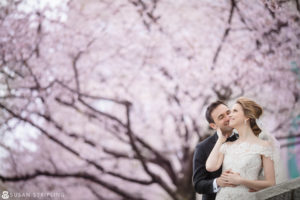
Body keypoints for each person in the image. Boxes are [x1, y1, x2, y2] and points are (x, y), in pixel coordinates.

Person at [206, 97, 276, 200]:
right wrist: (220, 140)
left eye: (234, 111)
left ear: (247, 117)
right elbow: (210, 167)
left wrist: (241, 181)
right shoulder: (226, 146)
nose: (229, 115)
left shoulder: (264, 146)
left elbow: (271, 183)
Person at [192, 100, 239, 200]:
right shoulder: (202, 148)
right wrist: (217, 182)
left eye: (228, 112)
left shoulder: (245, 139)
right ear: (213, 126)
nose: (228, 118)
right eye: (221, 117)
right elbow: (198, 185)